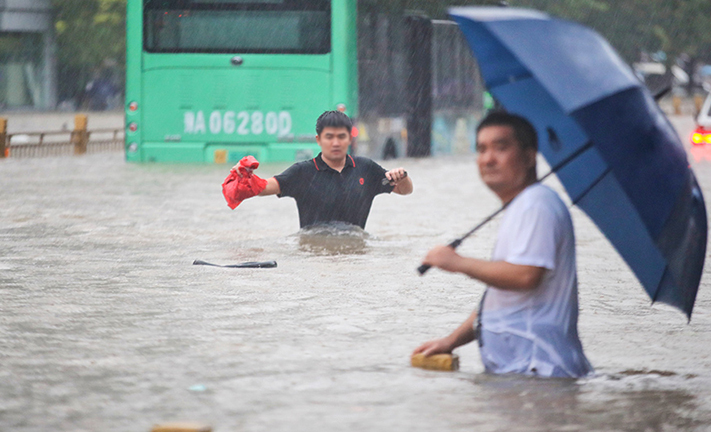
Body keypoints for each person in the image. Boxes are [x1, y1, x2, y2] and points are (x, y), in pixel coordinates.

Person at [413, 111, 591, 378]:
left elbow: (525, 276)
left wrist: (458, 263)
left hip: (540, 376)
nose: (488, 159)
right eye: (481, 149)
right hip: (519, 376)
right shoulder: (520, 207)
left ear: (530, 156)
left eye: (501, 147)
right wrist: (450, 341)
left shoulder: (536, 205)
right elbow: (502, 301)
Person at [223, 110, 412, 229]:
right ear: (318, 140)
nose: (335, 143)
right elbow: (264, 187)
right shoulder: (302, 173)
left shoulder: (366, 169)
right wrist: (243, 177)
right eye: (329, 137)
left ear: (350, 139)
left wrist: (403, 177)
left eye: (341, 137)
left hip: (356, 258)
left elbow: (405, 191)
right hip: (313, 257)